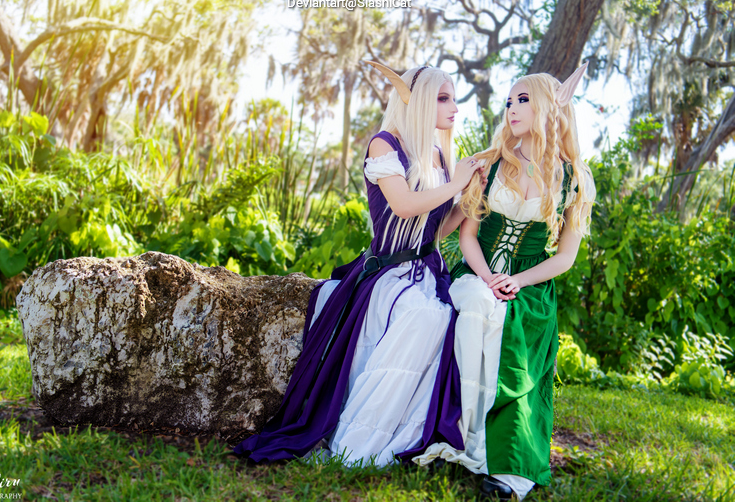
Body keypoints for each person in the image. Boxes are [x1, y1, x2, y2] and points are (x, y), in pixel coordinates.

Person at [234, 62, 485, 466]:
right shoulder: (384, 145)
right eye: (443, 98)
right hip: (387, 273)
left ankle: (415, 434)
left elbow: (437, 231)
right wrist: (455, 184)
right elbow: (403, 207)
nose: (454, 107)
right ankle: (358, 443)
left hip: (427, 271)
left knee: (445, 316)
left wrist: (470, 196)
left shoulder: (437, 154)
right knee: (423, 317)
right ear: (418, 102)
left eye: (453, 98)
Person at [413, 64, 597, 500]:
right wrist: (488, 275)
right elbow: (468, 236)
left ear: (550, 108)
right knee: (478, 303)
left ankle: (507, 466)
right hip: (476, 272)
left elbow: (565, 256)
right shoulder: (492, 163)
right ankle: (462, 440)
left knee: (506, 326)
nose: (512, 109)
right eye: (509, 101)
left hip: (530, 286)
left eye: (523, 100)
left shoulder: (575, 179)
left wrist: (517, 280)